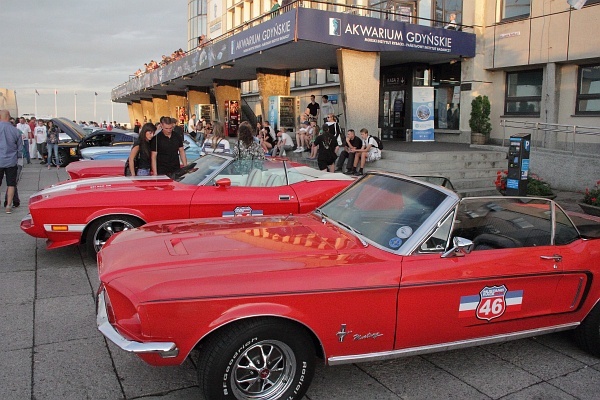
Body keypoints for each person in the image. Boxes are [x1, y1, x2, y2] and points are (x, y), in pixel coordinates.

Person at [0, 110, 22, 214]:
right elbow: (20, 148)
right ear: (9, 117)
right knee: (11, 184)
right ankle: (8, 205)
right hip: (11, 161)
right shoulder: (15, 131)